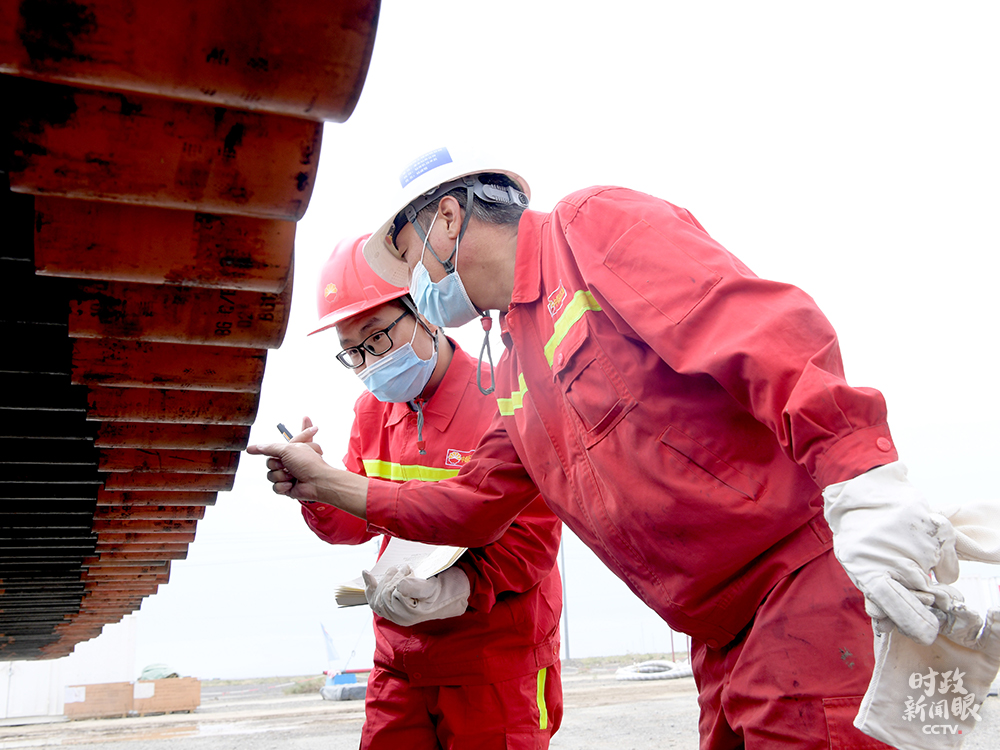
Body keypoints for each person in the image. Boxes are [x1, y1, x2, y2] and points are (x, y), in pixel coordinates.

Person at [250, 148, 968, 749]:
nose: (416, 285)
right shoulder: (514, 368)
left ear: (446, 218)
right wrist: (323, 483)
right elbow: (471, 507)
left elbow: (760, 330)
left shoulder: (587, 228)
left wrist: (864, 476)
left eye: (410, 261)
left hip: (795, 582)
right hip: (716, 633)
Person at [288, 234, 563, 750]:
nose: (369, 362)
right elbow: (354, 523)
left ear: (426, 314)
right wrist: (315, 488)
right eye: (352, 352)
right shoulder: (371, 413)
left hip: (493, 662)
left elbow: (533, 539)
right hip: (400, 660)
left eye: (376, 337)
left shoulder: (502, 397)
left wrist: (460, 586)